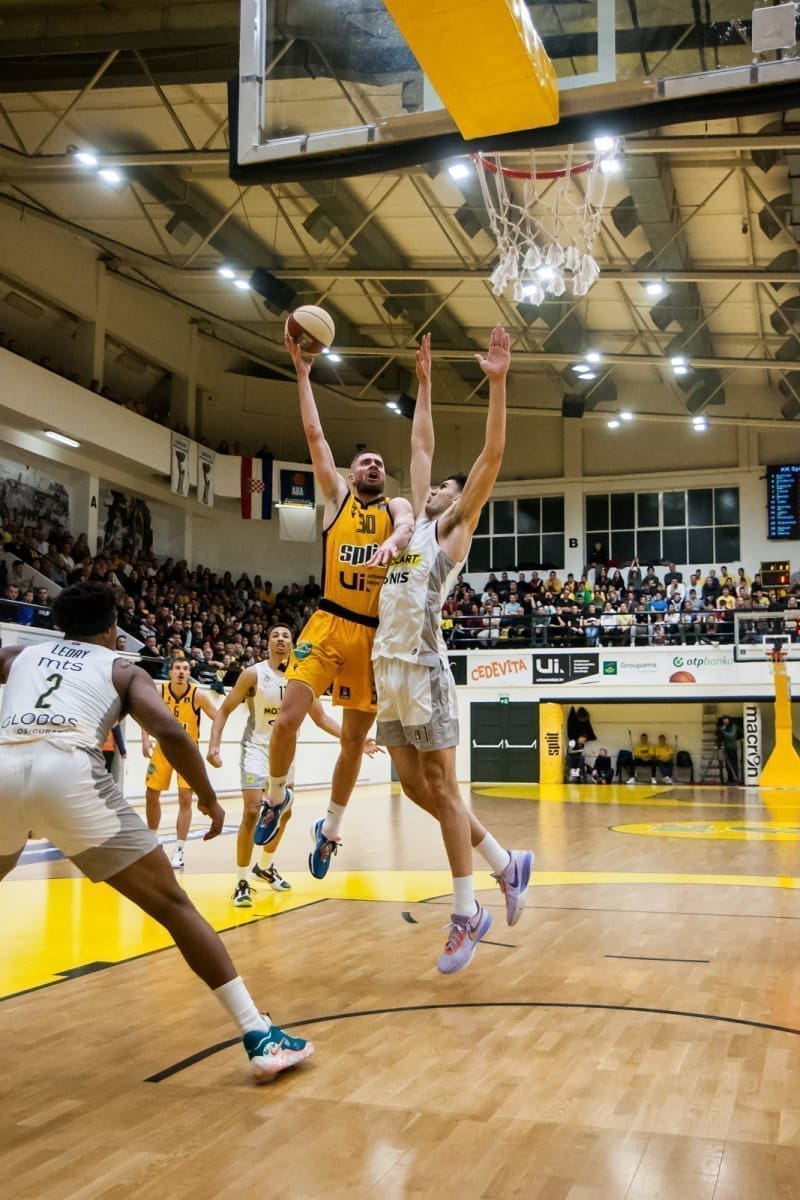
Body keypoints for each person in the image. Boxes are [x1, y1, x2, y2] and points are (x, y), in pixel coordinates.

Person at [0, 582, 312, 1082]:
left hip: (4, 767)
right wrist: (208, 798)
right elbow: (169, 731)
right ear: (112, 630)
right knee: (173, 905)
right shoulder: (122, 668)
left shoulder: (17, 655)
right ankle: (258, 1033)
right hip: (69, 774)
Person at [372, 328, 534, 974]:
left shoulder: (453, 529)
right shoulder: (410, 529)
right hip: (387, 670)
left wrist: (497, 384)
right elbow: (420, 444)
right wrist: (424, 383)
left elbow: (492, 455)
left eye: (444, 485)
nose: (434, 486)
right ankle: (504, 862)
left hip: (423, 670)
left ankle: (467, 912)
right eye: (435, 485)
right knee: (415, 787)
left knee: (442, 786)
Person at [262, 334, 414, 876]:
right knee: (287, 720)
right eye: (366, 462)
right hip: (328, 622)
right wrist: (303, 374)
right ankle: (276, 796)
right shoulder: (336, 499)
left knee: (353, 742)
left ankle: (329, 829)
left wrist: (393, 543)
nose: (374, 466)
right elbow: (314, 435)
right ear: (351, 475)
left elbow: (408, 524)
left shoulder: (395, 505)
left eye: (379, 463)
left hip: (373, 634)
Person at [207, 624, 378, 907]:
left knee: (284, 814)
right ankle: (241, 880)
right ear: (268, 643)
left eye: (286, 635)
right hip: (256, 749)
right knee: (252, 811)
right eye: (275, 635)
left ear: (292, 644)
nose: (280, 639)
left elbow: (322, 719)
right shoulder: (253, 674)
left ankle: (264, 866)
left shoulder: (301, 679)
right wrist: (214, 744)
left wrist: (356, 741)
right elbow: (224, 710)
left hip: (286, 753)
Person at [142, 655, 219, 869]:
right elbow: (145, 714)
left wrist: (214, 746)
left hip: (188, 753)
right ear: (170, 672)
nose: (181, 672)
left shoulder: (198, 695)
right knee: (151, 794)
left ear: (189, 673)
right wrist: (145, 739)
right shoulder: (159, 691)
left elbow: (218, 718)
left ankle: (179, 850)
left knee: (185, 799)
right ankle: (152, 841)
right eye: (177, 668)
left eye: (185, 668)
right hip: (163, 749)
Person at [717, 715, 740, 783]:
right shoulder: (724, 727)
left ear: (729, 720)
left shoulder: (733, 726)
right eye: (724, 721)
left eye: (726, 720)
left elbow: (731, 736)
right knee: (727, 765)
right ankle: (729, 779)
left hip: (732, 748)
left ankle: (735, 779)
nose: (725, 722)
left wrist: (723, 731)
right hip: (726, 748)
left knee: (733, 764)